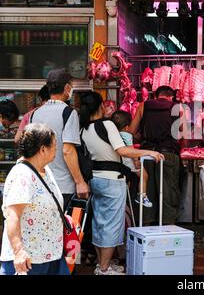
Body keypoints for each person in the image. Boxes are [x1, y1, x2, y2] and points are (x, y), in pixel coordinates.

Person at [79, 91, 163, 275]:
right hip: (111, 180)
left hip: (95, 179)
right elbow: (122, 150)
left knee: (99, 223)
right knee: (111, 225)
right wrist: (148, 153)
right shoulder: (107, 124)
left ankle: (102, 265)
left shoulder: (83, 128)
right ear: (101, 106)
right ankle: (103, 269)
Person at [0, 123, 69, 275]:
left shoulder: (46, 170)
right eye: (54, 145)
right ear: (43, 149)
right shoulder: (22, 175)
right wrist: (18, 252)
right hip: (28, 260)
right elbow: (13, 216)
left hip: (51, 254)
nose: (56, 149)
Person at [30, 68, 89, 207]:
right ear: (67, 88)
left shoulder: (35, 114)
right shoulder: (68, 113)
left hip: (40, 184)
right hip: (62, 186)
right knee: (64, 227)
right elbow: (68, 151)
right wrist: (80, 182)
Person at [130, 86, 183, 225]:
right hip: (168, 153)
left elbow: (131, 131)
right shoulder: (176, 107)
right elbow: (182, 134)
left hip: (147, 153)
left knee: (146, 190)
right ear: (171, 96)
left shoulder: (143, 106)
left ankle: (146, 223)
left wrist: (143, 138)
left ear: (155, 96)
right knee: (168, 191)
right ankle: (168, 225)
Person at [111, 110, 152, 207]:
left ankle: (125, 199)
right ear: (126, 127)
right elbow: (130, 150)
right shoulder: (127, 135)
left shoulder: (112, 134)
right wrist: (136, 160)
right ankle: (142, 195)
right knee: (144, 175)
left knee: (126, 181)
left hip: (119, 162)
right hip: (128, 161)